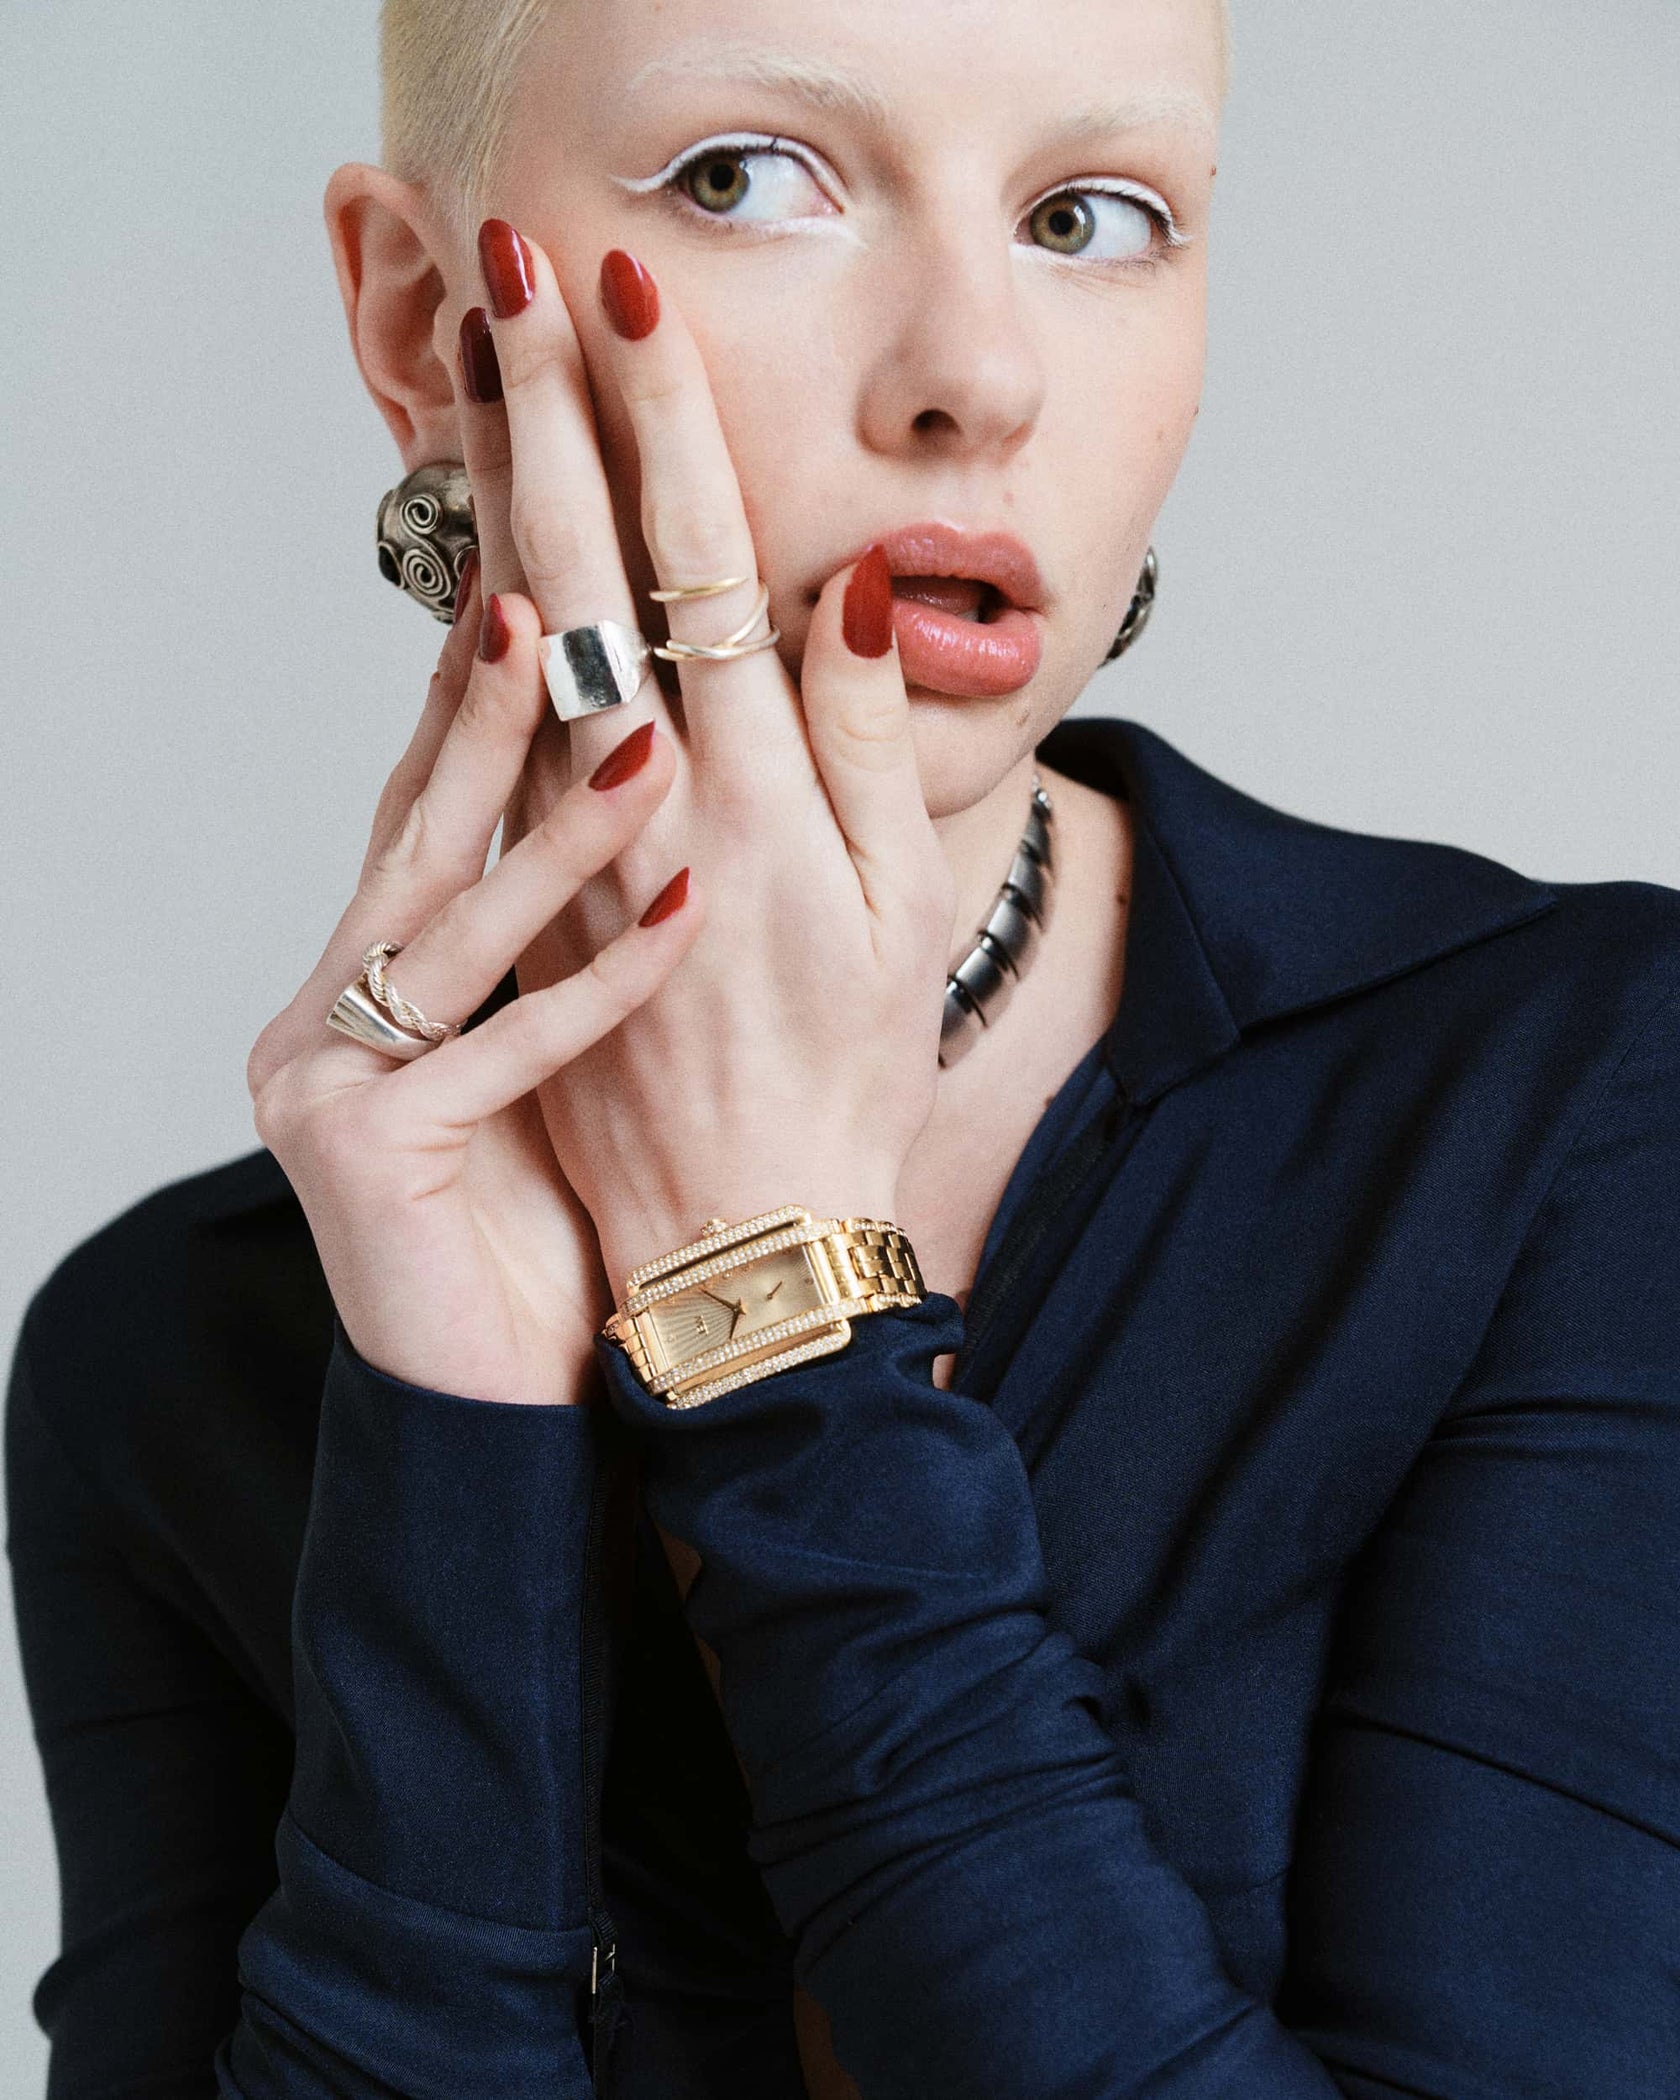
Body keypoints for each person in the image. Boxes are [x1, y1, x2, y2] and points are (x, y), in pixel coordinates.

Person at [7, 0, 1678, 2094]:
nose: (980, 375)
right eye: (748, 179)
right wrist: (455, 1436)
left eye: (1094, 213)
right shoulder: (167, 1354)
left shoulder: (1573, 1103)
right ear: (426, 317)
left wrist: (777, 1308)